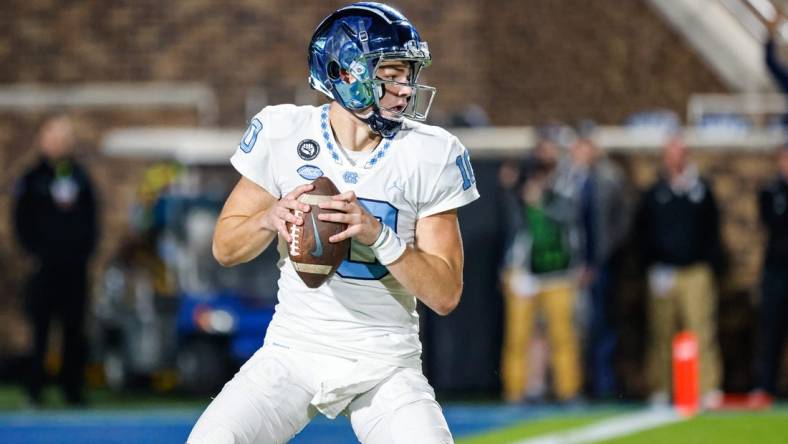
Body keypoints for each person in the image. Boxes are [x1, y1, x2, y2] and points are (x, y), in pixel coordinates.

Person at [187, 3, 479, 443]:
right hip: (294, 351)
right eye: (391, 74)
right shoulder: (283, 132)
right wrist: (269, 218)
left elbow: (445, 295)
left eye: (408, 74)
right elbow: (224, 249)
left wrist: (380, 235)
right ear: (345, 73)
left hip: (385, 362)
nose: (405, 89)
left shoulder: (431, 153)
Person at [12, 113, 99, 407]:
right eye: (56, 137)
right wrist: (35, 253)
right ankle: (34, 390)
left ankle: (71, 389)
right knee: (40, 331)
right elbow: (20, 221)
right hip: (44, 268)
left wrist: (84, 253)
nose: (62, 143)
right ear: (44, 139)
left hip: (74, 269)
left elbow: (91, 218)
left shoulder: (80, 176)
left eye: (67, 138)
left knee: (74, 331)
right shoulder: (32, 177)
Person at [636, 135, 723, 409]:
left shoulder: (700, 190)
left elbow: (713, 230)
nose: (675, 158)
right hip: (663, 271)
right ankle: (661, 388)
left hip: (695, 270)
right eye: (670, 153)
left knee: (701, 330)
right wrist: (651, 266)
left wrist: (710, 263)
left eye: (680, 152)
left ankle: (708, 387)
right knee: (661, 332)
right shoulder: (655, 192)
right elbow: (643, 232)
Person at [499, 137, 583, 405]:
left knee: (563, 337)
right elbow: (511, 228)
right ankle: (514, 392)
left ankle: (568, 391)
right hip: (525, 271)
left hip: (559, 271)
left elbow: (570, 216)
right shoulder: (520, 186)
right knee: (518, 337)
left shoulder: (565, 185)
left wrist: (541, 200)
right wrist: (508, 266)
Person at [567, 125, 631, 398]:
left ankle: (603, 385)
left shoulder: (610, 179)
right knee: (574, 328)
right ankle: (576, 385)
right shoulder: (566, 179)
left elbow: (621, 221)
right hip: (570, 266)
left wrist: (599, 260)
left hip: (601, 266)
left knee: (603, 325)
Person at [750, 143, 788, 407]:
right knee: (771, 329)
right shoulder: (771, 191)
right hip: (776, 269)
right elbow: (771, 221)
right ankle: (766, 386)